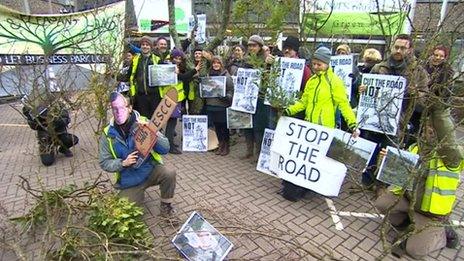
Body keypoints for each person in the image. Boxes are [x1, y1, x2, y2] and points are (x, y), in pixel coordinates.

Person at [374, 125, 463, 259]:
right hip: (409, 201)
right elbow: (399, 174)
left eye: (434, 131)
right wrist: (386, 161)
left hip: (430, 213)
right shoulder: (415, 147)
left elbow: (442, 122)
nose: (429, 134)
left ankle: (443, 232)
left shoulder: (450, 157)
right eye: (427, 130)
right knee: (382, 203)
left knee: (415, 250)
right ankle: (408, 222)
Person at [283, 46, 359, 202]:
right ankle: (300, 186)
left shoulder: (335, 82)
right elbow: (303, 102)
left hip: (324, 129)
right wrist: (288, 111)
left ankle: (309, 187)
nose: (316, 67)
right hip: (309, 128)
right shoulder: (311, 81)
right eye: (314, 64)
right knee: (305, 159)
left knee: (316, 160)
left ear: (327, 63)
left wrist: (353, 124)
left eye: (320, 64)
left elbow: (344, 105)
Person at [361, 34, 430, 187]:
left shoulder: (418, 72)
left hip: (398, 122)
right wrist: (363, 89)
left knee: (391, 154)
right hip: (374, 119)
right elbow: (367, 87)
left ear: (410, 49)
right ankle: (367, 180)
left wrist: (414, 93)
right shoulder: (379, 67)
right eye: (396, 47)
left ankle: (383, 185)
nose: (398, 50)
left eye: (403, 48)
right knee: (370, 150)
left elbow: (424, 99)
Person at [99, 92, 177, 217]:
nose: (118, 112)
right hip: (129, 179)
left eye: (121, 108)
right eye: (114, 109)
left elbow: (165, 148)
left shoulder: (144, 122)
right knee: (126, 217)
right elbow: (104, 162)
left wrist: (153, 132)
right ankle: (136, 194)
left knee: (169, 173)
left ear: (130, 108)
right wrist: (122, 163)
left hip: (150, 170)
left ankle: (166, 207)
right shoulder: (108, 134)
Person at [424, 45, 463, 167]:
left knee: (445, 131)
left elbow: (444, 93)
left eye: (441, 56)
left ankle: (454, 160)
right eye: (436, 55)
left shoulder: (447, 71)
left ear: (445, 58)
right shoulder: (424, 68)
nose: (438, 58)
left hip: (439, 107)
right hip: (422, 105)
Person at [22, 90, 78, 166]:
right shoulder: (32, 109)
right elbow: (32, 125)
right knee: (47, 162)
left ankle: (63, 148)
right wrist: (42, 122)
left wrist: (54, 121)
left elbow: (66, 119)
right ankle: (48, 149)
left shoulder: (58, 106)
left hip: (59, 133)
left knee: (73, 139)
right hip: (45, 137)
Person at [165, 49, 201, 154]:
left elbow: (184, 78)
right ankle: (170, 146)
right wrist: (195, 69)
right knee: (171, 123)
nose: (178, 60)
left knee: (173, 122)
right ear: (172, 58)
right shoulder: (169, 67)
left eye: (179, 59)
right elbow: (182, 77)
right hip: (171, 97)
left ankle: (170, 142)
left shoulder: (176, 67)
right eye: (176, 58)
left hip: (176, 97)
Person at [241, 35, 269, 161]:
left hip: (260, 97)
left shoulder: (267, 60)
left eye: (254, 45)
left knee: (259, 126)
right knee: (247, 124)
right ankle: (249, 150)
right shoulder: (245, 60)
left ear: (260, 47)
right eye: (250, 45)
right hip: (247, 96)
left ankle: (258, 153)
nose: (251, 48)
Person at [123, 36, 162, 118]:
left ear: (150, 47)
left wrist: (174, 70)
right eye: (143, 44)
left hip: (155, 95)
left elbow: (166, 74)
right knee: (143, 120)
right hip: (141, 96)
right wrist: (113, 75)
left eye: (147, 45)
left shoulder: (157, 59)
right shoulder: (135, 60)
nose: (145, 46)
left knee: (155, 121)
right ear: (140, 47)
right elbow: (128, 76)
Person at [204, 56, 234, 156]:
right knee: (217, 127)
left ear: (221, 64)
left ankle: (226, 147)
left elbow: (231, 91)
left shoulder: (226, 76)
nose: (216, 65)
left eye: (218, 63)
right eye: (214, 63)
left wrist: (225, 96)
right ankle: (220, 145)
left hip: (222, 105)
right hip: (211, 105)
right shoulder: (208, 76)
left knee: (224, 127)